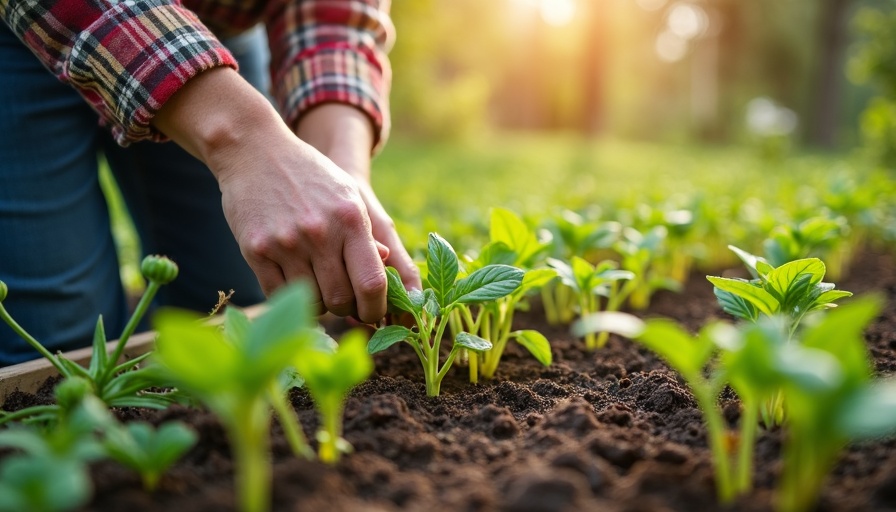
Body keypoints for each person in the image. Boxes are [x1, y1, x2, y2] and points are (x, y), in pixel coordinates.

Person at [0, 0, 421, 366]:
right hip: (20, 32)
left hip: (210, 31)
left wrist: (341, 167)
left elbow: (335, 14)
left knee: (236, 304)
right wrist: (245, 138)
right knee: (60, 343)